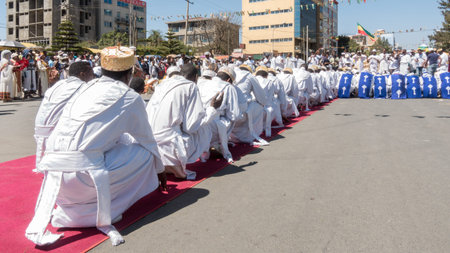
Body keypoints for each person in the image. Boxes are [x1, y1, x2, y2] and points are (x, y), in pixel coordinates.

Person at [26, 46, 165, 247]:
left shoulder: (85, 88)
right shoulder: (130, 96)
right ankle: (101, 208)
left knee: (114, 143)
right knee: (145, 153)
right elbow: (146, 139)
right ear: (130, 74)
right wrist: (159, 169)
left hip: (54, 178)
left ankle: (76, 210)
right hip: (83, 178)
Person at [147, 63, 222, 179]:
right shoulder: (190, 86)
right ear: (196, 78)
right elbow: (191, 126)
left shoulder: (162, 85)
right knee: (206, 127)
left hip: (150, 143)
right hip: (170, 144)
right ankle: (200, 157)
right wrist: (212, 108)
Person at [34, 61, 94, 169]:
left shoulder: (59, 84)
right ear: (82, 74)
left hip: (40, 132)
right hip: (56, 137)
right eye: (91, 72)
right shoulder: (83, 87)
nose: (93, 76)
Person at [197, 66, 240, 163]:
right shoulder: (228, 87)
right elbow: (234, 114)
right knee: (231, 119)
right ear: (229, 79)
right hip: (215, 124)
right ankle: (219, 143)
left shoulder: (203, 84)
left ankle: (209, 146)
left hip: (200, 123)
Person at [231, 64, 268, 145]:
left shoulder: (230, 73)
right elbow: (261, 96)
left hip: (228, 111)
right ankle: (248, 135)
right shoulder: (249, 76)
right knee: (259, 106)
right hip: (242, 110)